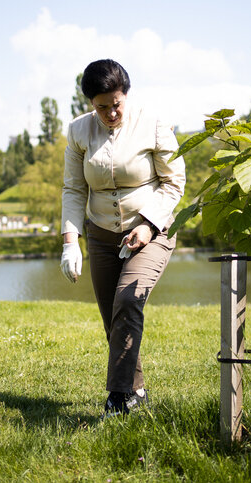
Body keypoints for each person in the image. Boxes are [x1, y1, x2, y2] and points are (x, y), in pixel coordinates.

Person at [60, 59, 186, 417]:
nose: (111, 112)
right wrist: (71, 241)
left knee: (129, 299)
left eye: (117, 103)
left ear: (125, 95)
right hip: (100, 235)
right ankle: (137, 390)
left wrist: (147, 225)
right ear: (90, 103)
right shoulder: (79, 131)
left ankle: (117, 398)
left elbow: (174, 181)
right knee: (113, 318)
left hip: (151, 229)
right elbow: (73, 188)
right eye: (102, 107)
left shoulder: (154, 122)